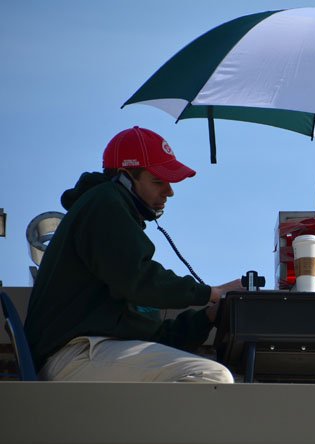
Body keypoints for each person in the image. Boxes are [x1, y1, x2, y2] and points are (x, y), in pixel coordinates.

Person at [24, 126, 244, 382]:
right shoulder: (104, 203)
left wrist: (208, 316)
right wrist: (210, 293)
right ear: (126, 177)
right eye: (158, 181)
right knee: (210, 375)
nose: (169, 191)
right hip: (74, 355)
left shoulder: (111, 223)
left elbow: (154, 336)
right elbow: (139, 280)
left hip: (89, 353)